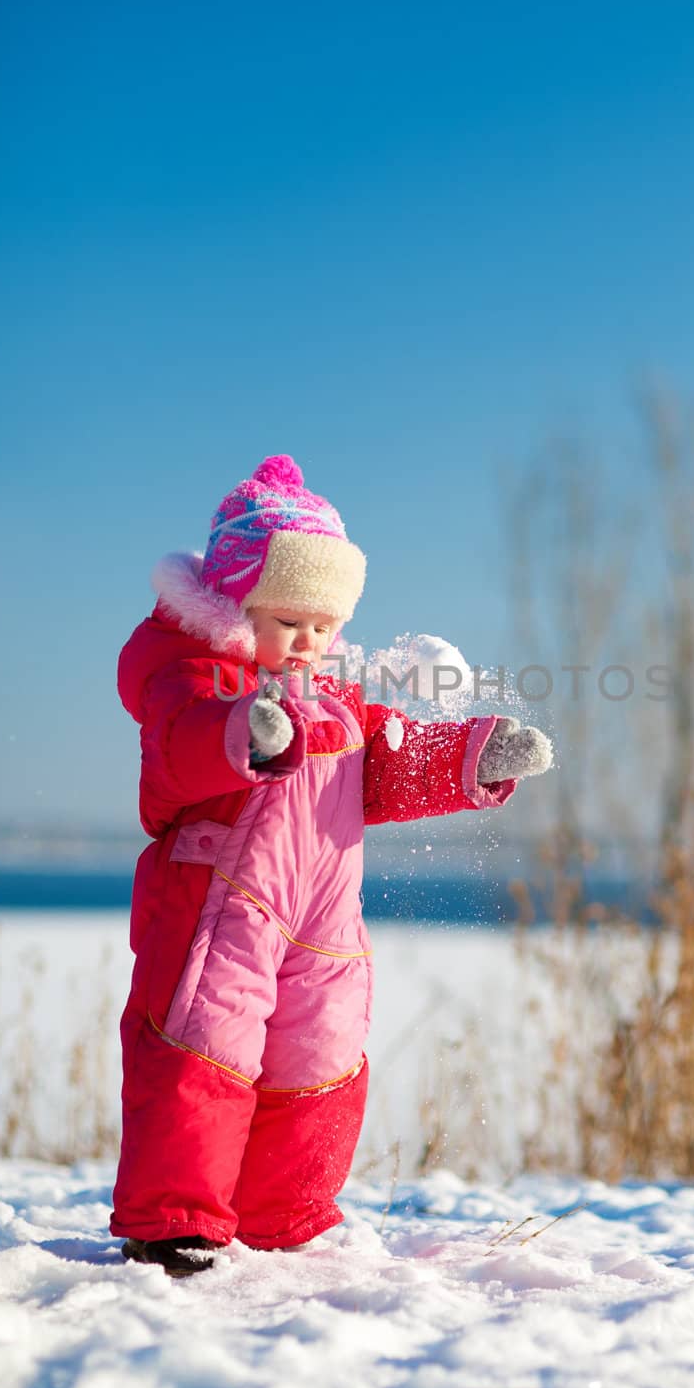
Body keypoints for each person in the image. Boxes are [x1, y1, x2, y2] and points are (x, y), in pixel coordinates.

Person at [111, 454, 554, 1275]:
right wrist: (248, 731)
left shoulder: (333, 694)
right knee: (204, 1046)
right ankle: (174, 1219)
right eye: (288, 620)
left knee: (321, 1053)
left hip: (323, 912)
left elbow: (381, 760)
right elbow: (178, 749)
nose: (309, 639)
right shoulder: (192, 676)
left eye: (324, 622)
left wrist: (471, 756)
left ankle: (284, 1219)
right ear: (235, 600)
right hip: (219, 899)